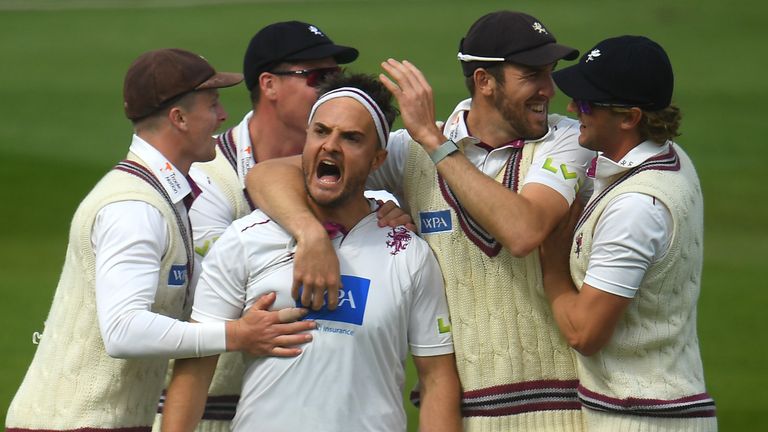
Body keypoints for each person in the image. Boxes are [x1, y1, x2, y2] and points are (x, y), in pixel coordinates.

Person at [245, 10, 595, 432]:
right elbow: (267, 175)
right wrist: (311, 233)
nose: (548, 89)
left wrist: (433, 139)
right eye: (533, 75)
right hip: (456, 411)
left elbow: (523, 231)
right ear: (485, 81)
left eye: (550, 73)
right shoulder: (410, 151)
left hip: (557, 410)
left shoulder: (566, 140)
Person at [5, 48, 316, 432]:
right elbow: (123, 331)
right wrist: (237, 334)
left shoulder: (160, 196)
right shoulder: (136, 207)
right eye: (213, 104)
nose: (222, 117)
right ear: (179, 118)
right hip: (74, 425)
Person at [160, 73, 462, 432]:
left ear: (378, 159)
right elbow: (195, 368)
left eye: (351, 138)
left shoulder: (408, 253)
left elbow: (437, 380)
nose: (330, 146)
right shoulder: (246, 240)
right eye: (321, 131)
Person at [152, 21, 365, 429]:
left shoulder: (348, 163)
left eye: (337, 77)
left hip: (308, 408)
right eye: (319, 77)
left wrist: (381, 216)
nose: (334, 89)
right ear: (269, 85)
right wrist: (316, 236)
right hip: (207, 409)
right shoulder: (208, 176)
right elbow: (215, 295)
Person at [539, 35, 717, 431]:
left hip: (641, 419)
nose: (572, 108)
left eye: (587, 103)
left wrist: (551, 266)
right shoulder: (668, 157)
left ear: (629, 117)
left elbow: (584, 332)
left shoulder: (636, 209)